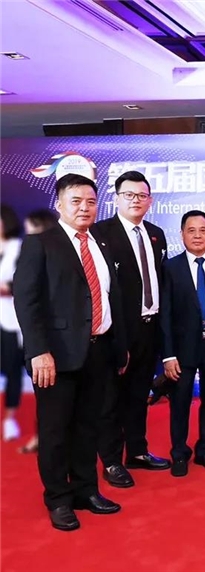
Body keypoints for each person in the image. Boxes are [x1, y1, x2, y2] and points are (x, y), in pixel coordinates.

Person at [14, 174, 128, 531]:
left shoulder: (101, 244)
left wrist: (118, 346)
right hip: (55, 356)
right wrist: (39, 351)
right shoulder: (40, 244)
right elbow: (27, 301)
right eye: (76, 201)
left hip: (98, 350)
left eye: (91, 202)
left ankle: (85, 491)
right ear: (59, 204)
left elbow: (110, 297)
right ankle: (58, 499)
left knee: (88, 427)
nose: (84, 208)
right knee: (55, 431)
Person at [93, 171, 170, 488]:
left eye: (142, 195)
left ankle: (137, 451)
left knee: (139, 394)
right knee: (111, 399)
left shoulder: (156, 234)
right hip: (117, 330)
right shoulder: (100, 233)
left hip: (149, 328)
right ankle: (111, 461)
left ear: (150, 201)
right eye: (129, 195)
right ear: (116, 198)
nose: (136, 200)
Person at [160, 210, 205, 477]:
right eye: (191, 231)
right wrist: (168, 355)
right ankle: (179, 453)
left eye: (203, 230)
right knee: (180, 402)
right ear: (182, 235)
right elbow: (165, 314)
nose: (198, 236)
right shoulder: (171, 268)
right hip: (182, 348)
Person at [17, 209, 58, 454]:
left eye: (32, 228)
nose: (28, 234)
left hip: (62, 338)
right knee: (46, 399)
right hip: (37, 338)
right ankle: (41, 439)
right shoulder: (32, 250)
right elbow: (26, 297)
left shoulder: (55, 250)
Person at [1, 205, 24, 441]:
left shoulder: (18, 248)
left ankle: (9, 419)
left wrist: (6, 288)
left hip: (10, 319)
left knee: (12, 369)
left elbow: (24, 283)